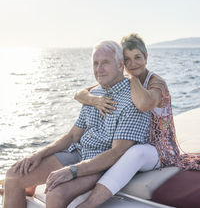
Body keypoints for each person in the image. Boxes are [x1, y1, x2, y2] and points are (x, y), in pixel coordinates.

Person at [2, 40, 150, 208]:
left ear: (120, 65)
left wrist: (72, 171)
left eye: (105, 63)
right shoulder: (94, 94)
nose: (99, 69)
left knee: (55, 192)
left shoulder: (133, 100)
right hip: (78, 153)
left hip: (102, 165)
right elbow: (73, 136)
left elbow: (117, 153)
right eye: (95, 63)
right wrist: (38, 154)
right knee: (13, 175)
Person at [67, 33, 200, 208]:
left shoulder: (156, 83)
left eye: (138, 57)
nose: (133, 64)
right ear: (122, 62)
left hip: (158, 150)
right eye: (127, 60)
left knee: (135, 153)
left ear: (146, 57)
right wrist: (96, 100)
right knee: (100, 145)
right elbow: (80, 94)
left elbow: (144, 104)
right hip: (134, 140)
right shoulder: (124, 82)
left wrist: (132, 79)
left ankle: (90, 203)